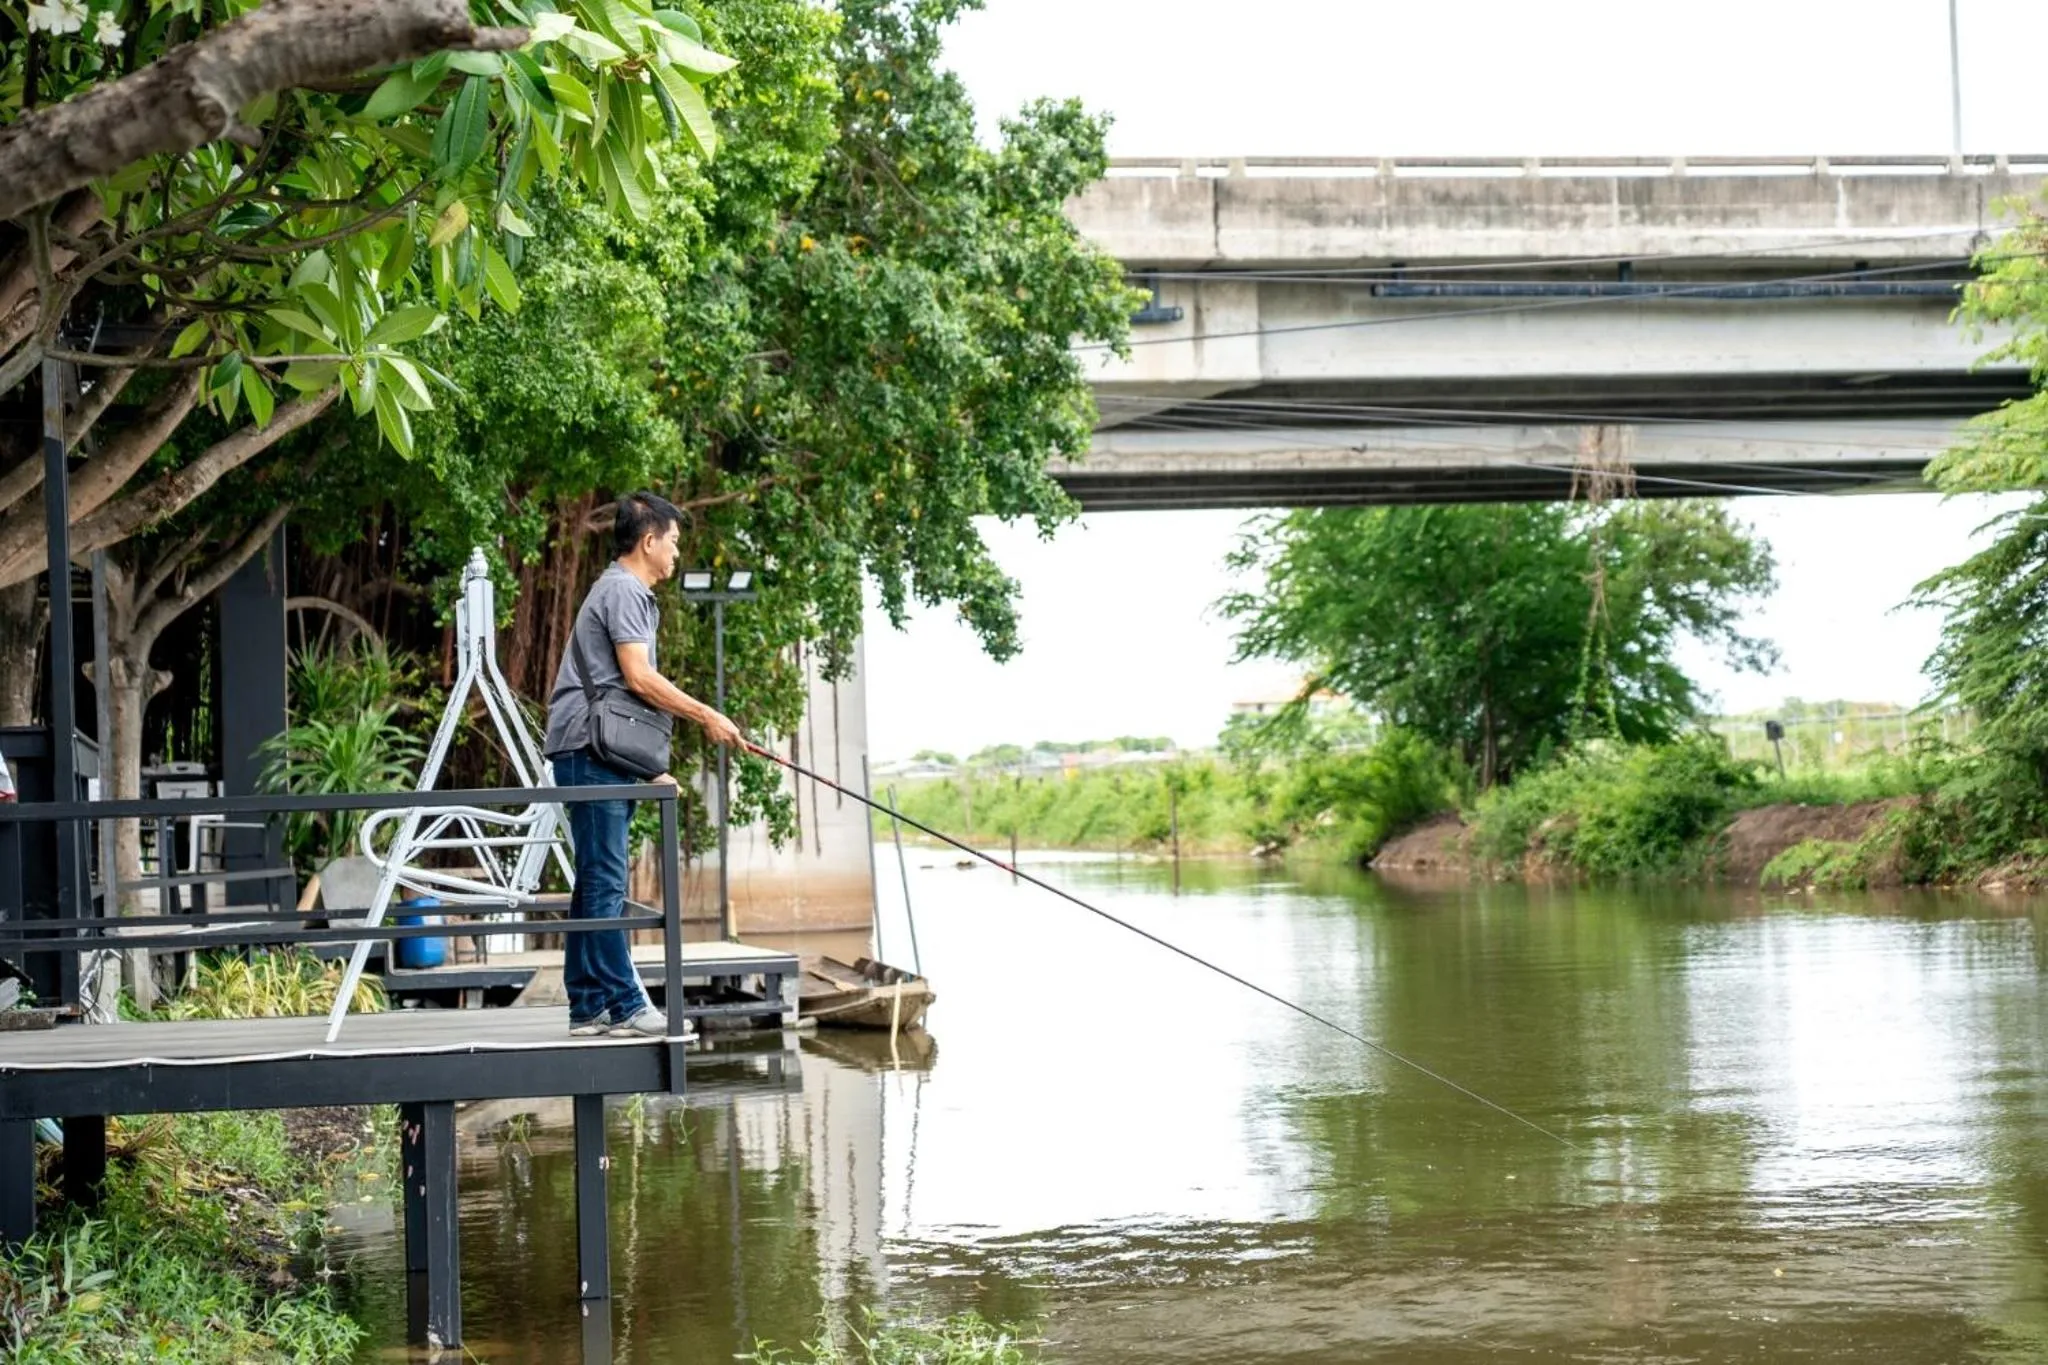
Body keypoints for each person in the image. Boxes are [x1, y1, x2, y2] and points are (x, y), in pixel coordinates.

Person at [543, 491, 741, 1038]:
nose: (677, 553)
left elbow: (618, 695)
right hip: (587, 749)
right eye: (673, 542)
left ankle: (586, 1007)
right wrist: (707, 715)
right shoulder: (625, 590)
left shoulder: (621, 591)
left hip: (592, 749)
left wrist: (647, 769)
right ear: (648, 541)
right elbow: (637, 679)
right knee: (605, 880)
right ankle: (628, 1003)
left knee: (593, 883)